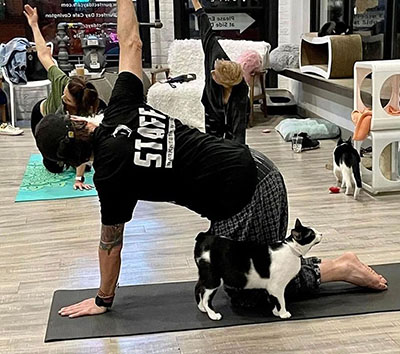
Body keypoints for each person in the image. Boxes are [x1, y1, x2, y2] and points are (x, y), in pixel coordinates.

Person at [33, 0, 387, 318]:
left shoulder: (108, 177)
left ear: (68, 160)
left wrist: (102, 300)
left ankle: (340, 266)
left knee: (250, 293)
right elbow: (131, 42)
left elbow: (110, 244)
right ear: (78, 120)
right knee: (236, 263)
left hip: (249, 194)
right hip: (252, 173)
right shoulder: (121, 108)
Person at [24, 4, 101, 190]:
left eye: (65, 99)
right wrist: (34, 24)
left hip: (68, 123)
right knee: (54, 165)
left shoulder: (85, 111)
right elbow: (43, 54)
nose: (61, 96)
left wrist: (79, 178)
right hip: (43, 117)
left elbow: (84, 141)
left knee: (81, 159)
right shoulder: (62, 80)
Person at [192, 0, 249, 144]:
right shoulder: (216, 57)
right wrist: (196, 3)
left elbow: (239, 129)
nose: (212, 72)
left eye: (215, 75)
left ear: (226, 83)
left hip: (233, 112)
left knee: (232, 141)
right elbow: (207, 31)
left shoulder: (240, 90)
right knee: (212, 140)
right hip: (211, 106)